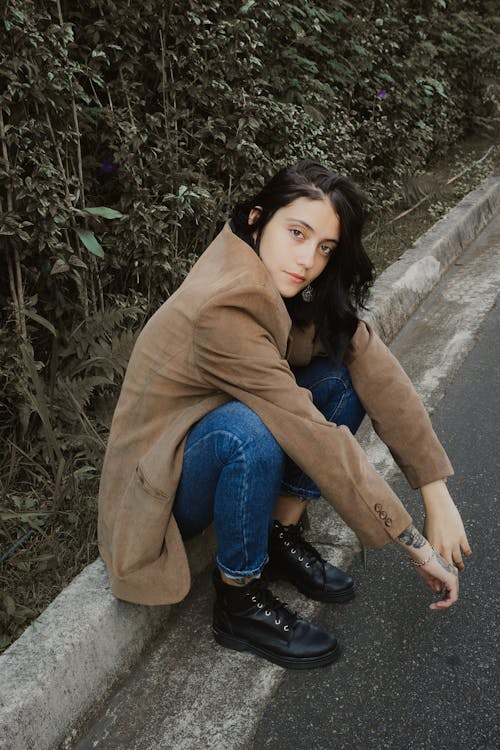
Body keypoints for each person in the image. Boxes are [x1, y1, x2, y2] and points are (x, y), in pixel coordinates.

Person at [98, 160, 471, 670]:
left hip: (197, 443)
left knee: (342, 376)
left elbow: (367, 355)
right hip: (156, 494)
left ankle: (278, 533)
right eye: (296, 233)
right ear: (258, 219)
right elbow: (308, 430)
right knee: (252, 433)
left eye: (324, 248)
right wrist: (419, 547)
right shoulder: (225, 307)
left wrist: (436, 489)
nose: (307, 261)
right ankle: (239, 598)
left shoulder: (267, 271)